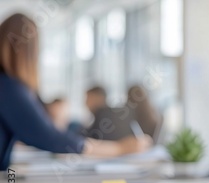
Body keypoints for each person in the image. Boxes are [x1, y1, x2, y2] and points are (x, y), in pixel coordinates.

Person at [0, 13, 151, 171]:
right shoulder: (7, 86)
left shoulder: (9, 87)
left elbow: (36, 115)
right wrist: (119, 149)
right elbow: (51, 137)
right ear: (29, 52)